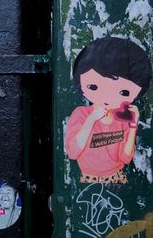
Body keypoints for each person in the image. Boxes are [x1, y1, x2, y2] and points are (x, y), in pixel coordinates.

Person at [65, 37, 152, 184]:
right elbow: (72, 153)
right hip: (86, 180)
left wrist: (132, 127)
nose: (107, 96)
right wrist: (91, 120)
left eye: (123, 92)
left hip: (117, 178)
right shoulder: (81, 114)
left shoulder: (122, 118)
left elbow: (125, 158)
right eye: (94, 87)